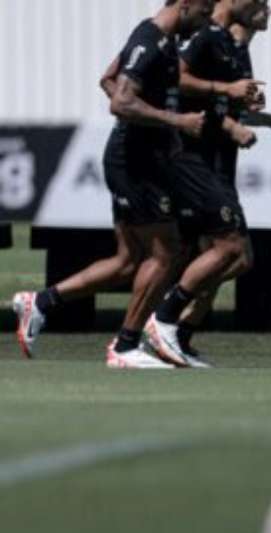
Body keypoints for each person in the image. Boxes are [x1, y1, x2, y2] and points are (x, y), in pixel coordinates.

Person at [11, 0, 213, 368]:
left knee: (127, 261)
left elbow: (107, 78)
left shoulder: (160, 40)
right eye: (204, 12)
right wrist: (175, 121)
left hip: (141, 158)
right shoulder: (149, 41)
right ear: (185, 5)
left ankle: (39, 303)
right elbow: (120, 102)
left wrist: (161, 128)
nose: (204, 23)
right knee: (167, 253)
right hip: (134, 161)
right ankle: (124, 347)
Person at [170, 0, 271, 366]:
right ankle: (162, 326)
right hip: (198, 163)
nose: (267, 9)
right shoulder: (206, 36)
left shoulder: (235, 48)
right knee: (229, 253)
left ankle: (174, 334)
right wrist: (229, 123)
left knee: (228, 257)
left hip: (219, 164)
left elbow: (227, 105)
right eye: (259, 3)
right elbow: (178, 86)